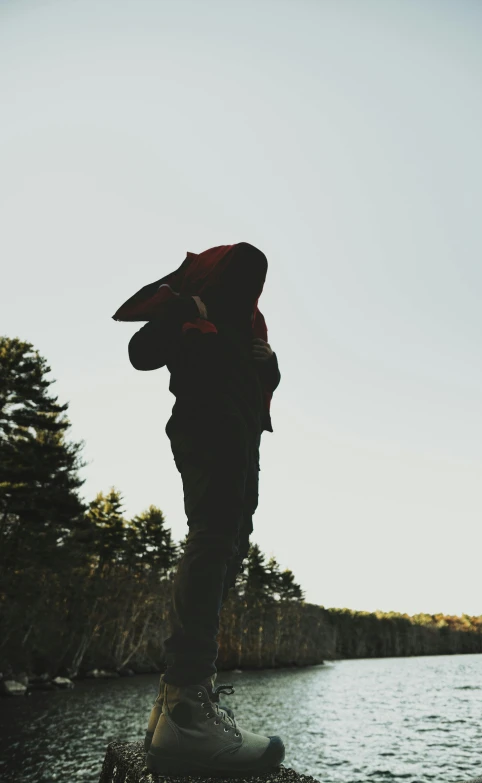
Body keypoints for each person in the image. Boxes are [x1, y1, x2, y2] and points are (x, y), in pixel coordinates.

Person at [117, 242, 283, 777]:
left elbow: (256, 384)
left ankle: (175, 705)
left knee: (231, 544)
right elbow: (142, 352)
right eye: (242, 277)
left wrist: (270, 366)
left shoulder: (247, 327)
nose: (249, 288)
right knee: (213, 538)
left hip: (243, 436)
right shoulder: (191, 304)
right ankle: (188, 704)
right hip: (207, 423)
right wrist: (186, 312)